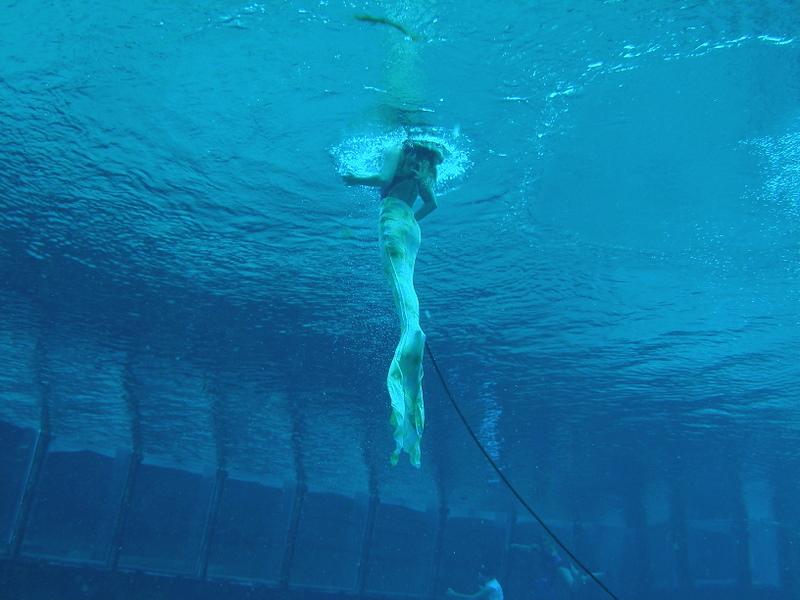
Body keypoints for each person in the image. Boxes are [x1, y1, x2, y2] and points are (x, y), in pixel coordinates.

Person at [343, 139, 445, 467]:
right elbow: (432, 206)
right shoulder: (422, 170)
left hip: (392, 223)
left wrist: (352, 178)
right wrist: (407, 215)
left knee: (406, 306)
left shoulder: (394, 148)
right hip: (411, 227)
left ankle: (410, 355)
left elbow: (380, 179)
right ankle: (413, 339)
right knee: (408, 296)